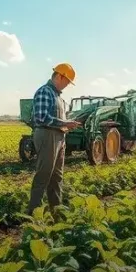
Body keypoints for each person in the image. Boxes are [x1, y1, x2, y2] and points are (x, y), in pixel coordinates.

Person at [26, 63, 82, 216]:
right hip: (47, 135)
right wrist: (65, 123)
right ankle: (34, 214)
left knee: (57, 177)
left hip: (59, 136)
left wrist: (68, 122)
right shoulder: (45, 91)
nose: (67, 85)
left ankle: (56, 212)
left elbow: (56, 117)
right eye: (67, 81)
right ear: (59, 76)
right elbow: (41, 117)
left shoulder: (58, 96)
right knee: (43, 175)